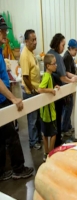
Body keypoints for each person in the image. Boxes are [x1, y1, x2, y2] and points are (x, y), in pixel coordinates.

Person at [0, 15, 33, 181]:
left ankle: (1, 171)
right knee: (11, 136)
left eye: (5, 31)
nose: (5, 34)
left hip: (2, 98)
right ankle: (18, 169)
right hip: (2, 101)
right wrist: (13, 98)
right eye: (3, 31)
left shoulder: (0, 50)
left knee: (2, 136)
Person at [47, 33, 77, 147]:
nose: (64, 47)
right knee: (58, 115)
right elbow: (62, 76)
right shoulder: (58, 57)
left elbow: (64, 73)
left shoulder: (49, 53)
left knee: (53, 118)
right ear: (58, 43)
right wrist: (72, 80)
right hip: (57, 91)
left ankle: (55, 141)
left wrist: (73, 77)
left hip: (51, 90)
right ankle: (58, 141)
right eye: (63, 45)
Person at [20, 29, 42, 150]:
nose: (35, 42)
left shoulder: (31, 52)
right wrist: (33, 90)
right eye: (33, 40)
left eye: (36, 39)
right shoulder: (24, 55)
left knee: (37, 117)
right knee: (32, 119)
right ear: (26, 41)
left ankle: (37, 138)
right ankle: (33, 142)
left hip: (36, 91)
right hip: (30, 92)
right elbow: (25, 77)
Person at [38, 54, 60, 161]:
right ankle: (50, 154)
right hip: (49, 113)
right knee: (53, 134)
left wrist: (52, 87)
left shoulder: (48, 76)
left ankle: (46, 153)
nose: (56, 65)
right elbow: (40, 89)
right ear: (48, 66)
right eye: (54, 64)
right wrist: (51, 90)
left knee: (45, 134)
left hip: (44, 113)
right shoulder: (47, 76)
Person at [62, 39, 77, 136]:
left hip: (69, 84)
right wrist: (75, 77)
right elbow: (66, 73)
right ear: (71, 48)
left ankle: (68, 126)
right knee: (68, 107)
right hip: (67, 85)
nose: (76, 52)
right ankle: (64, 128)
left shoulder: (69, 57)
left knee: (69, 107)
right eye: (76, 50)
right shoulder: (67, 57)